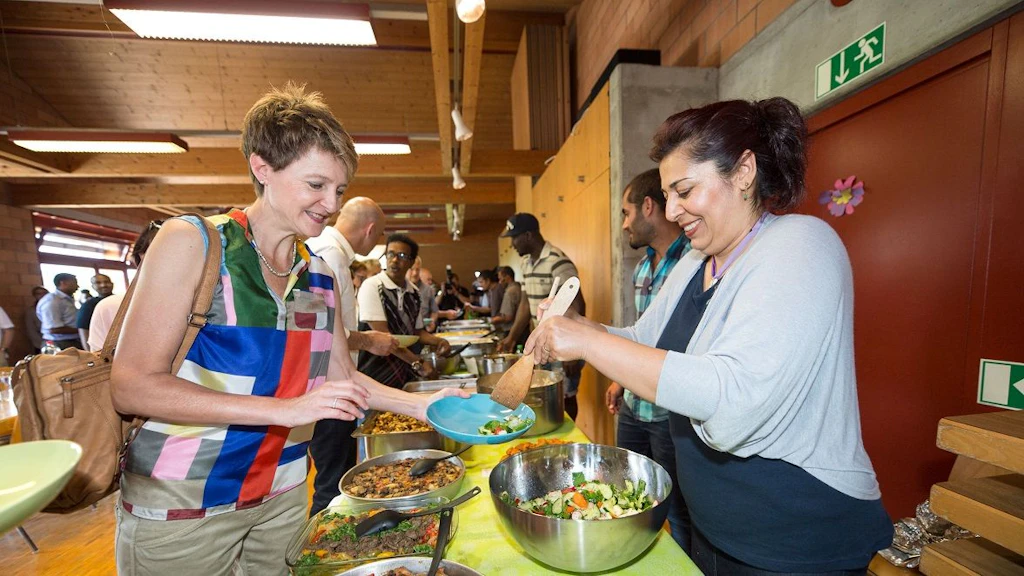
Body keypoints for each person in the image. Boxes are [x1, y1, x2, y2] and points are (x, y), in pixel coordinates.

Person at [108, 83, 466, 576]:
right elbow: (131, 385)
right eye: (316, 185)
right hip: (182, 506)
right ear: (263, 169)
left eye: (338, 190)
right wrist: (288, 409)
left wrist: (427, 404)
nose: (330, 204)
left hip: (282, 495)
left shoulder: (316, 274)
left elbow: (343, 382)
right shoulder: (194, 243)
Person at [526, 98, 893, 573]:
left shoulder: (800, 246)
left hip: (796, 542)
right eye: (668, 193)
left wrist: (588, 344)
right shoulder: (699, 261)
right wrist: (577, 326)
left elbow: (733, 397)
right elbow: (643, 340)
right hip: (715, 533)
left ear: (743, 172)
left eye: (684, 190)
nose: (673, 210)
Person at [604, 168, 692, 551]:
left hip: (670, 413)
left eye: (626, 213)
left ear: (648, 207)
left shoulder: (694, 262)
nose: (625, 225)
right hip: (634, 408)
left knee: (677, 509)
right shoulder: (642, 268)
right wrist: (620, 377)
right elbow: (643, 333)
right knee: (627, 494)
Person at [305, 196, 400, 515]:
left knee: (336, 476)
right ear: (370, 230)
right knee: (333, 485)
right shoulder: (328, 255)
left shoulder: (328, 251)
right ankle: (324, 559)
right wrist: (369, 340)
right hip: (328, 386)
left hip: (330, 383)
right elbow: (313, 327)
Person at [497, 213, 585, 420]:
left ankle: (568, 439)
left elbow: (578, 304)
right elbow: (526, 304)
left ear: (528, 235)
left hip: (564, 344)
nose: (513, 244)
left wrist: (573, 350)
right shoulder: (526, 263)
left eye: (515, 237)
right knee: (548, 396)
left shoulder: (558, 261)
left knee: (566, 396)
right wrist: (511, 337)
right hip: (542, 344)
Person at [357, 234, 451, 387]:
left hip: (404, 372)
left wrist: (440, 341)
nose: (394, 260)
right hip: (375, 374)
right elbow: (384, 337)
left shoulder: (414, 293)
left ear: (411, 262)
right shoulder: (372, 286)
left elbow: (418, 332)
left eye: (401, 255)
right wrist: (417, 362)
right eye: (391, 254)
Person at [88, 222, 161, 352]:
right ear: (140, 257)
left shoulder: (205, 308)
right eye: (159, 250)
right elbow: (99, 361)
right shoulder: (112, 307)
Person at [36, 273, 81, 350]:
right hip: (59, 343)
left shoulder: (66, 299)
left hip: (70, 341)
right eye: (75, 283)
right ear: (63, 283)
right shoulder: (52, 301)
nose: (77, 287)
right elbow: (54, 329)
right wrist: (82, 330)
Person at [76, 273, 114, 347]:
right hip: (102, 345)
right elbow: (84, 329)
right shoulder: (88, 305)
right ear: (93, 286)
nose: (103, 285)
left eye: (106, 282)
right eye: (98, 283)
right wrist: (90, 354)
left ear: (112, 284)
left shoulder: (123, 300)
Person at [490, 266, 521, 331]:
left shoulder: (510, 291)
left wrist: (493, 320)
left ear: (507, 277)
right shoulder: (518, 287)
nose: (500, 282)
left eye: (500, 279)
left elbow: (508, 317)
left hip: (512, 329)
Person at [25, 286, 47, 353]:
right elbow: (31, 330)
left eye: (44, 293)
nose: (42, 295)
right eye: (39, 294)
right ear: (35, 296)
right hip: (42, 342)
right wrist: (40, 344)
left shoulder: (54, 307)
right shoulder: (31, 311)